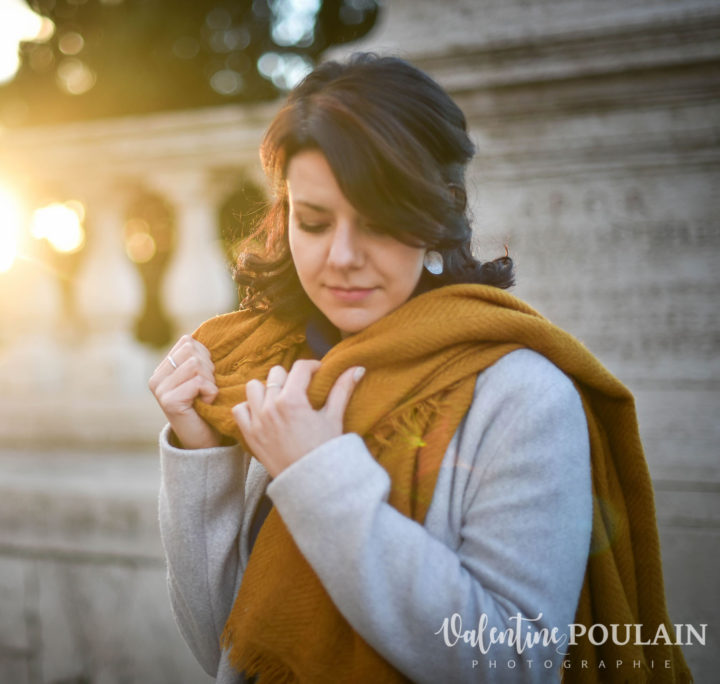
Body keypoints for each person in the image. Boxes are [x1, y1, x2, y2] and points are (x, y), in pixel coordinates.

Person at [149, 54, 690, 683]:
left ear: (438, 216)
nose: (342, 257)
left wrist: (317, 479)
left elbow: (512, 664)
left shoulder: (522, 397)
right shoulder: (270, 377)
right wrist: (201, 451)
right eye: (314, 221)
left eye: (378, 221)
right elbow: (224, 647)